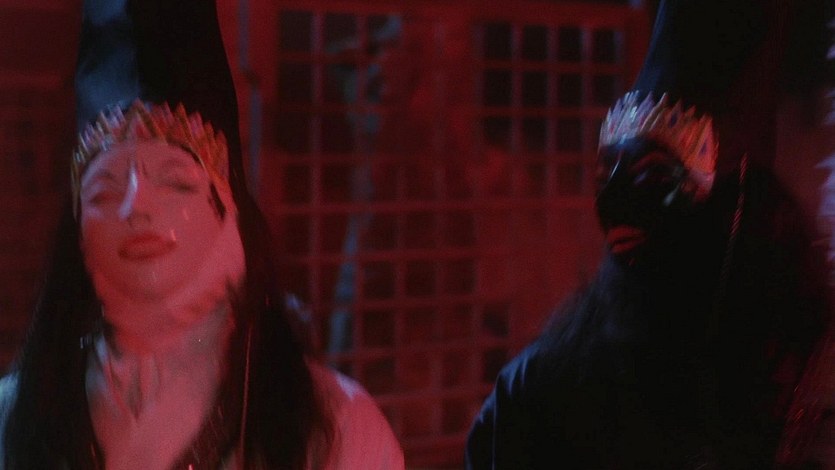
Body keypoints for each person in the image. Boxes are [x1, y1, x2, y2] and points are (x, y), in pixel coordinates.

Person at [0, 1, 404, 469]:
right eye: (104, 191)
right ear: (79, 227)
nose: (136, 206)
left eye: (175, 182)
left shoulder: (337, 427)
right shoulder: (12, 420)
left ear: (225, 207)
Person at [465, 0, 831, 468]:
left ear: (733, 207)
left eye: (653, 178)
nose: (620, 205)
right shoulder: (538, 393)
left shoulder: (796, 383)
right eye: (607, 176)